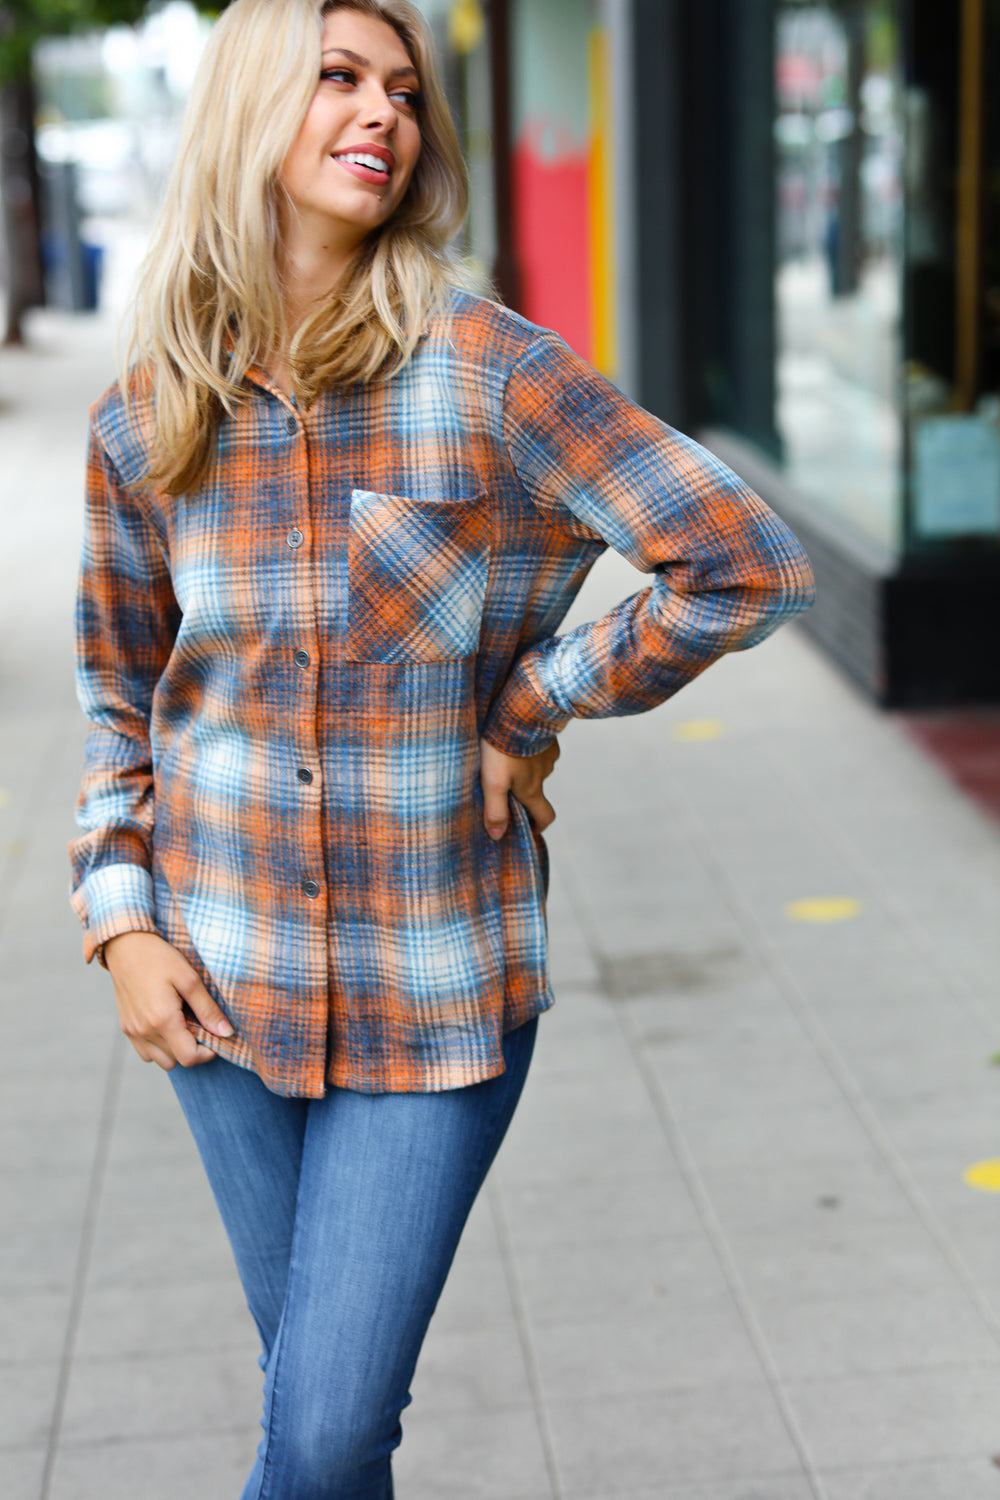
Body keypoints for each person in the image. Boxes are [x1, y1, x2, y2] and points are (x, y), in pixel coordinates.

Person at [69, 1, 815, 1495]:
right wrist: (117, 921)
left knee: (327, 1426)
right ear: (247, 111)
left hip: (439, 977)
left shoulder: (490, 370)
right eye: (338, 79)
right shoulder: (148, 415)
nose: (382, 115)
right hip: (220, 982)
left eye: (403, 91)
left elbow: (741, 559)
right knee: (321, 1429)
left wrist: (534, 701)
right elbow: (120, 697)